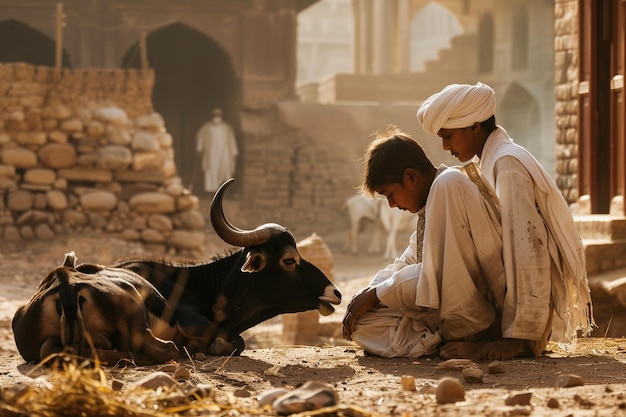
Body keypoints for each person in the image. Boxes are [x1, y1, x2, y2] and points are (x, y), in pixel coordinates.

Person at [416, 82, 595, 360]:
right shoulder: (492, 159)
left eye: (449, 136)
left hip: (521, 320)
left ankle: (506, 335)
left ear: (475, 127)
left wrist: (518, 338)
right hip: (502, 294)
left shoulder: (507, 164)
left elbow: (528, 248)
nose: (445, 146)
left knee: (448, 184)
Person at [343, 126, 509, 360]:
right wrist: (369, 291)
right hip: (440, 306)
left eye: (390, 194)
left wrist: (377, 294)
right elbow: (409, 260)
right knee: (363, 323)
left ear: (410, 177)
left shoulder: (448, 184)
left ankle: (473, 338)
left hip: (482, 311)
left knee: (381, 301)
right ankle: (437, 340)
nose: (391, 205)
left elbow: (436, 273)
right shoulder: (430, 203)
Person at [196, 108, 239, 193]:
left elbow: (231, 140)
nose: (217, 117)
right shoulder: (207, 127)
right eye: (215, 115)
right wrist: (199, 148)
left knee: (225, 169)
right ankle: (212, 190)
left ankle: (224, 189)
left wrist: (234, 151)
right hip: (211, 153)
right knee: (212, 170)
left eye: (218, 115)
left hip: (224, 152)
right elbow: (201, 138)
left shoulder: (227, 128)